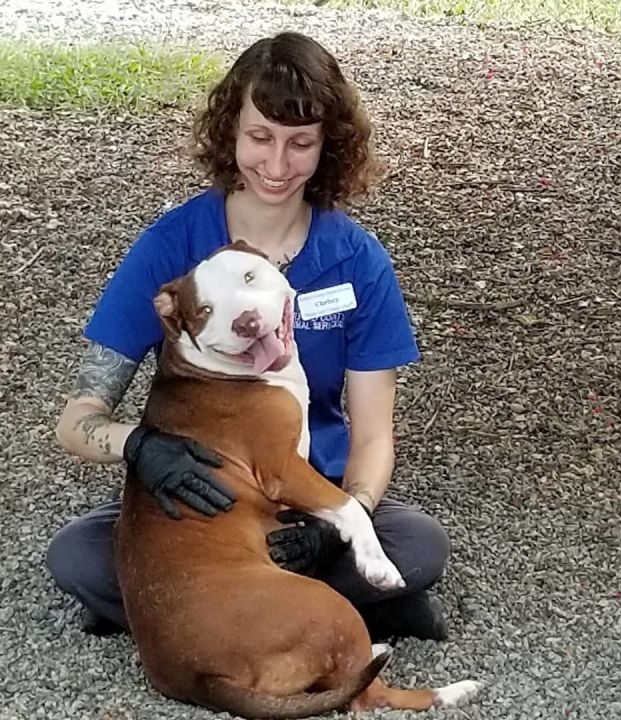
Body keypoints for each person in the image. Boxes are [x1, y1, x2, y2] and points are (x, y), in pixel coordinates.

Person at [46, 31, 450, 642]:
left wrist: (346, 519)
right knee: (76, 553)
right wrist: (140, 446)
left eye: (301, 143)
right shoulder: (171, 247)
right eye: (261, 138)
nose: (278, 165)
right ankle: (341, 607)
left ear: (327, 146)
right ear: (231, 130)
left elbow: (373, 436)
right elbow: (76, 421)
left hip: (312, 491)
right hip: (206, 503)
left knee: (420, 542)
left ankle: (191, 613)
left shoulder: (357, 260)